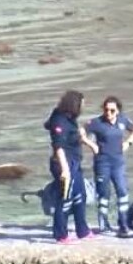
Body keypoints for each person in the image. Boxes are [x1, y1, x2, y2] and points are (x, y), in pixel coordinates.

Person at [84, 96, 133, 237]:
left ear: (118, 111)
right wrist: (92, 145)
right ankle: (104, 225)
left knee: (122, 192)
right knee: (104, 194)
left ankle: (124, 225)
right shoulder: (96, 122)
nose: (108, 113)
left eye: (112, 110)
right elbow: (80, 133)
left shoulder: (123, 120)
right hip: (102, 163)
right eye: (106, 110)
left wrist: (128, 143)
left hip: (118, 163)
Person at [43, 90, 93, 244]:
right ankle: (60, 234)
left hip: (75, 162)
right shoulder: (59, 121)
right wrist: (65, 170)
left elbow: (49, 126)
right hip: (63, 163)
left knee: (80, 196)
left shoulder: (69, 118)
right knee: (65, 198)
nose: (83, 107)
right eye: (82, 104)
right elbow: (58, 146)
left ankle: (82, 231)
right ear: (74, 104)